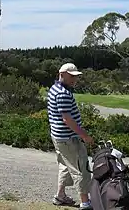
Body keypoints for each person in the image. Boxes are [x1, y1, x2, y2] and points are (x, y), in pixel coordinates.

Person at [48, 63, 94, 209]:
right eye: (72, 76)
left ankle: (60, 196)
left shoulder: (54, 88)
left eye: (76, 76)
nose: (75, 79)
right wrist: (84, 135)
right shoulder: (63, 93)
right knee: (80, 168)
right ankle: (85, 202)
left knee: (65, 166)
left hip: (59, 137)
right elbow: (67, 119)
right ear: (62, 74)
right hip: (68, 138)